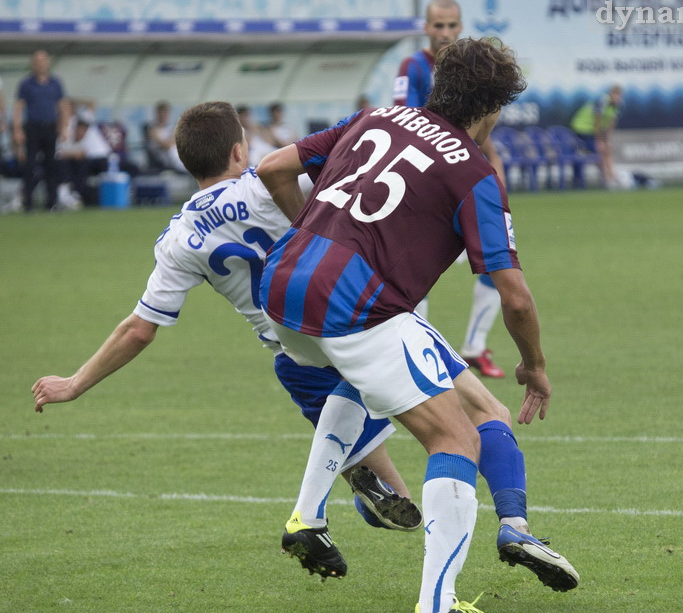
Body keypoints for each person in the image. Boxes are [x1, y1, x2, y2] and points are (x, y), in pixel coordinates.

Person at [258, 37, 578, 613]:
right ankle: (438, 606)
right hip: (357, 304)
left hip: (281, 286)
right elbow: (515, 296)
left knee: (358, 380)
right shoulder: (473, 169)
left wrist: (312, 232)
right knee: (458, 436)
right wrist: (534, 364)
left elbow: (274, 167)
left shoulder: (376, 117)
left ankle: (310, 509)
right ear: (490, 109)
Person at [31, 101, 423, 566]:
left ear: (185, 160)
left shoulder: (180, 236)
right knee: (446, 431)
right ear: (240, 150)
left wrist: (75, 382)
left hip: (295, 358)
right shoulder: (273, 180)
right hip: (351, 329)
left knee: (392, 501)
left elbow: (139, 329)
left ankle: (354, 488)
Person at [392, 0, 507, 379]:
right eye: (438, 26)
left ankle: (474, 346)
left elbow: (479, 132)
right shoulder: (414, 67)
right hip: (427, 192)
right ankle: (411, 351)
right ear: (426, 28)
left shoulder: (470, 71)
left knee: (496, 264)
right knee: (418, 270)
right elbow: (406, 121)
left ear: (460, 26)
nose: (444, 33)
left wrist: (496, 173)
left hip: (464, 186)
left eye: (451, 25)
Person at [12, 49, 70, 211]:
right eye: (37, 61)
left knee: (51, 166)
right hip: (33, 127)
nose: (40, 64)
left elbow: (62, 105)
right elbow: (19, 107)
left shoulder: (55, 83)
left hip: (50, 127)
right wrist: (17, 129)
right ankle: (28, 203)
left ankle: (52, 202)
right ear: (33, 64)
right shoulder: (26, 83)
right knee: (30, 165)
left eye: (43, 61)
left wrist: (64, 127)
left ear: (48, 63)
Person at [569, 84, 622, 188]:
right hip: (582, 128)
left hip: (592, 130)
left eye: (619, 95)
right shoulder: (603, 101)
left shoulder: (617, 105)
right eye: (615, 95)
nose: (617, 97)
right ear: (611, 94)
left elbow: (611, 123)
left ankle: (611, 176)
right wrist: (599, 139)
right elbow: (597, 121)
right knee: (599, 150)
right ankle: (606, 178)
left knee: (607, 148)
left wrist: (606, 138)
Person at [145, 101, 185, 173]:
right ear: (157, 114)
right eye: (161, 113)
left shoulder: (171, 127)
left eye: (165, 113)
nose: (163, 115)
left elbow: (176, 141)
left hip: (172, 152)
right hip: (160, 154)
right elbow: (166, 145)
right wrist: (171, 141)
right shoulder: (152, 128)